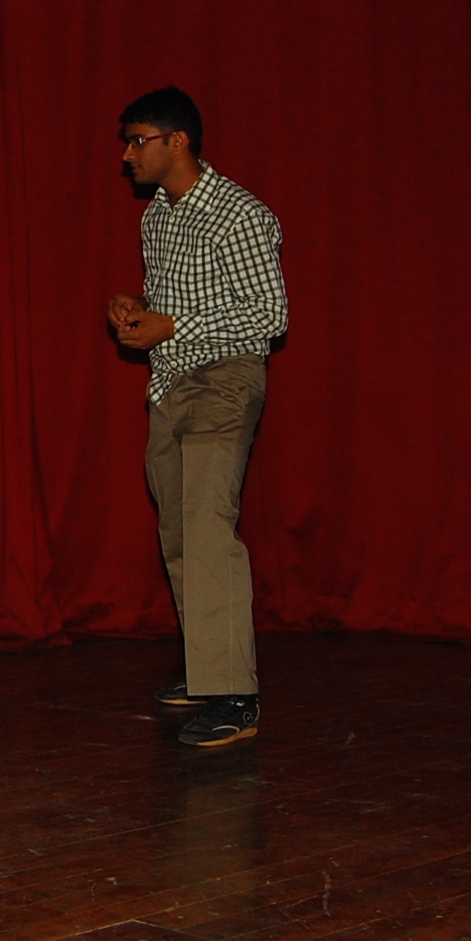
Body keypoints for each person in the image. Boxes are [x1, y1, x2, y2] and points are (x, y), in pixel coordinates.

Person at [108, 87, 287, 749]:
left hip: (224, 379)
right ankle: (208, 669)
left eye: (138, 140)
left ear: (177, 141)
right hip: (170, 385)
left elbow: (270, 314)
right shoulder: (157, 215)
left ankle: (235, 693)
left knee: (209, 530)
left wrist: (174, 324)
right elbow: (172, 302)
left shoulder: (238, 213)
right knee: (181, 534)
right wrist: (137, 309)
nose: (128, 155)